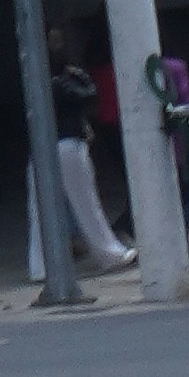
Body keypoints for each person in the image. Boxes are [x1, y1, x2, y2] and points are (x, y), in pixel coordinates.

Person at [50, 28, 136, 274]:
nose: (59, 46)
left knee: (46, 208)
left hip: (53, 145)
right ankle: (109, 252)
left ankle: (44, 264)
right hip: (68, 143)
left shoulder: (46, 81)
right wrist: (80, 77)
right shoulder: (59, 82)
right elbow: (87, 94)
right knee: (86, 202)